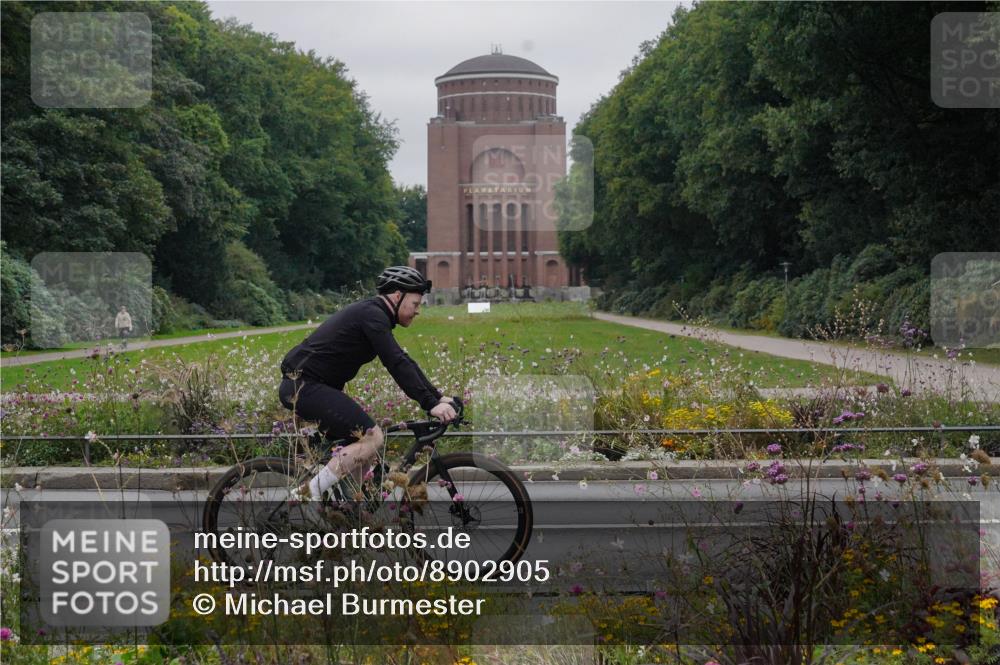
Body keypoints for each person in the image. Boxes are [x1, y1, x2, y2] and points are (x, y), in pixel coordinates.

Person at [279, 266, 457, 501]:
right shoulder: (372, 315)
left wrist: (437, 397)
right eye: (415, 303)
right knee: (373, 438)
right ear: (397, 296)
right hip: (303, 387)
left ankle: (352, 512)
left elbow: (404, 360)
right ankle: (306, 494)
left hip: (313, 387)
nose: (418, 311)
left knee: (366, 451)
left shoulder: (375, 316)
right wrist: (430, 403)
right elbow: (395, 362)